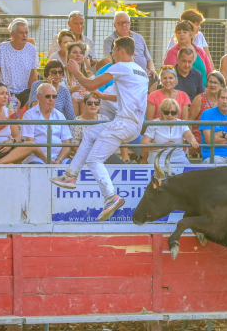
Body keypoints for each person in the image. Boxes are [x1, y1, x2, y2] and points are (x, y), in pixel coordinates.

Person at [50, 36, 149, 222]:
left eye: (113, 51)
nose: (112, 55)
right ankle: (70, 175)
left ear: (120, 50)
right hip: (134, 124)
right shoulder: (140, 72)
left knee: (94, 160)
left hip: (123, 123)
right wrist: (103, 95)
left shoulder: (120, 66)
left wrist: (75, 71)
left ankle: (111, 197)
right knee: (89, 132)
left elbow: (90, 84)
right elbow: (123, 98)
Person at [0, 81, 39, 164]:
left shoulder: (9, 112)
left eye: (6, 93)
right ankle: (1, 163)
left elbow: (18, 137)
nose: (6, 97)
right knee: (10, 164)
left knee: (31, 144)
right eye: (2, 94)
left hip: (7, 149)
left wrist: (11, 141)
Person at [104, 11, 157, 89]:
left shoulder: (138, 37)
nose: (124, 25)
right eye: (120, 23)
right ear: (114, 25)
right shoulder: (109, 41)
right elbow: (111, 60)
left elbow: (148, 60)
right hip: (126, 75)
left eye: (126, 22)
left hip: (144, 74)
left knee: (158, 84)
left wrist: (151, 69)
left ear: (130, 24)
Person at [21, 83, 72, 165]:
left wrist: (59, 160)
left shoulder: (60, 115)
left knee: (74, 169)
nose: (51, 99)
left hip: (59, 159)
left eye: (54, 96)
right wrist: (46, 159)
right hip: (37, 158)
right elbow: (30, 141)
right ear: (38, 97)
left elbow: (67, 143)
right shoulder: (29, 114)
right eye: (48, 96)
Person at [0, 19, 38, 107]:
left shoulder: (32, 49)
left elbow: (33, 75)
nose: (24, 35)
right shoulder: (2, 48)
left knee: (35, 103)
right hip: (5, 91)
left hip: (24, 92)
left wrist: (35, 93)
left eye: (26, 33)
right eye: (21, 33)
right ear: (12, 34)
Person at [142, 98, 199, 164]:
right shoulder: (154, 124)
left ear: (177, 113)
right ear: (161, 112)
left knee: (189, 171)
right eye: (166, 112)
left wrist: (193, 141)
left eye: (173, 112)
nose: (169, 115)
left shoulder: (181, 123)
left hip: (179, 158)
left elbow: (189, 135)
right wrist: (161, 146)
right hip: (158, 158)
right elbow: (144, 144)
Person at [163, 21, 213, 86]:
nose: (181, 34)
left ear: (191, 34)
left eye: (185, 32)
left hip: (203, 92)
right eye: (179, 33)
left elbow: (210, 74)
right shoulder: (172, 52)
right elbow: (169, 75)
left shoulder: (201, 52)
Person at [188, 71, 225, 152]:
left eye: (215, 82)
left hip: (219, 135)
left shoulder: (224, 100)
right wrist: (191, 139)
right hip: (200, 136)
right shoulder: (200, 98)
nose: (212, 85)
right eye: (210, 82)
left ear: (221, 85)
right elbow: (190, 121)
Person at [65, 42, 94, 116]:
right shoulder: (62, 73)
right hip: (68, 102)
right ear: (69, 55)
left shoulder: (89, 74)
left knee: (83, 103)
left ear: (84, 56)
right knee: (73, 101)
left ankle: (83, 127)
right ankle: (74, 126)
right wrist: (71, 90)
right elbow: (59, 94)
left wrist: (88, 94)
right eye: (75, 52)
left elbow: (95, 93)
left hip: (85, 103)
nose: (78, 55)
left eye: (81, 53)